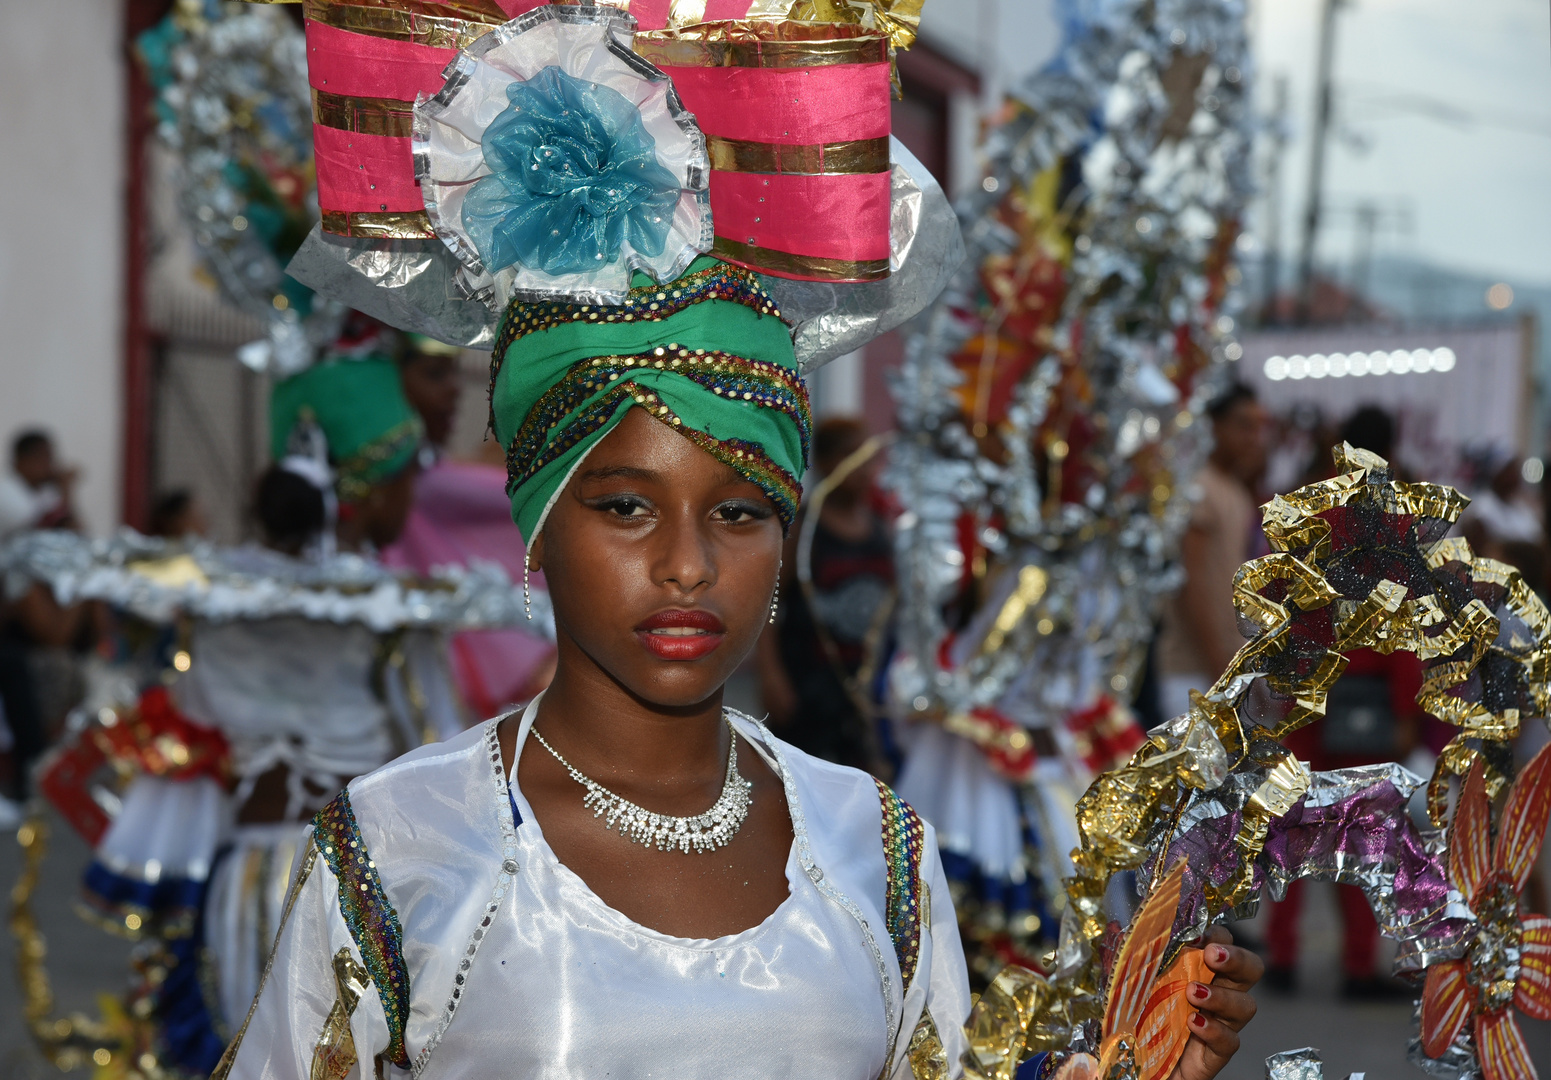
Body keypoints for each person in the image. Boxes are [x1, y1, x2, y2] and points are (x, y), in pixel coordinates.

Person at [216, 268, 1259, 1080]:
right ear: (536, 527)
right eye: (625, 506)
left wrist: (1139, 1055)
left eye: (740, 512)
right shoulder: (406, 839)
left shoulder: (874, 846)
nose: (686, 565)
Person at [756, 416, 893, 771]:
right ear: (828, 461)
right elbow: (767, 602)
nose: (863, 468)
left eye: (869, 457)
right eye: (852, 455)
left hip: (864, 690)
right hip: (809, 688)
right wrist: (771, 674)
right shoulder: (803, 530)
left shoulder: (882, 530)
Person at [1154, 384, 1268, 719]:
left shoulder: (1233, 490)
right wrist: (1219, 662)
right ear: (1214, 427)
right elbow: (1190, 583)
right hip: (1193, 670)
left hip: (1223, 667)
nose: (1253, 438)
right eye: (1243, 426)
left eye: (1258, 427)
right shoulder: (1199, 488)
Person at [0, 429, 78, 538]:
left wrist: (66, 490)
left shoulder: (45, 492)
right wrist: (65, 488)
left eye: (50, 458)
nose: (50, 465)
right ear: (21, 460)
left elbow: (76, 533)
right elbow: (45, 528)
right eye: (43, 457)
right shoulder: (6, 493)